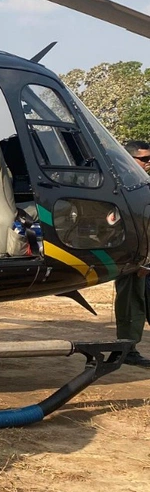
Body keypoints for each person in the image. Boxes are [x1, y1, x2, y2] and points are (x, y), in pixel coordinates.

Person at [114, 140, 150, 368]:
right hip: (131, 257)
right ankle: (126, 349)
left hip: (145, 255)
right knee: (131, 304)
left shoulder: (142, 185)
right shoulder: (119, 185)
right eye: (144, 159)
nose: (148, 163)